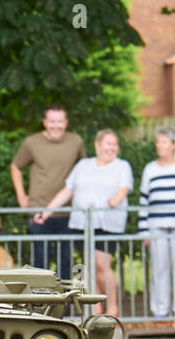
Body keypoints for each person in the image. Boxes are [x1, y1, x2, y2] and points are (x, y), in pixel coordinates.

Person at [35, 129, 132, 314]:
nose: (111, 148)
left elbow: (124, 187)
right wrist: (46, 212)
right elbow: (67, 191)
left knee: (102, 264)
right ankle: (97, 308)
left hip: (108, 223)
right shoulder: (83, 165)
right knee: (91, 266)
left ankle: (112, 307)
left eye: (114, 144)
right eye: (108, 144)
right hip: (82, 224)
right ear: (97, 145)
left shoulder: (122, 166)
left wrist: (116, 200)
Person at [10, 106, 85, 278]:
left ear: (65, 123)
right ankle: (41, 302)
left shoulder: (76, 142)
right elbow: (15, 166)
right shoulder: (31, 142)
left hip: (67, 211)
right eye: (52, 121)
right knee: (40, 261)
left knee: (65, 260)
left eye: (59, 121)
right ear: (45, 122)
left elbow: (84, 169)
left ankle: (65, 302)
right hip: (38, 210)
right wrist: (21, 196)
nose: (55, 125)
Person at [139, 128, 175, 319]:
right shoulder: (150, 169)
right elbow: (143, 201)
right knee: (159, 268)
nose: (159, 146)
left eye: (163, 142)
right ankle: (160, 310)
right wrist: (144, 231)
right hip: (157, 225)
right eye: (158, 142)